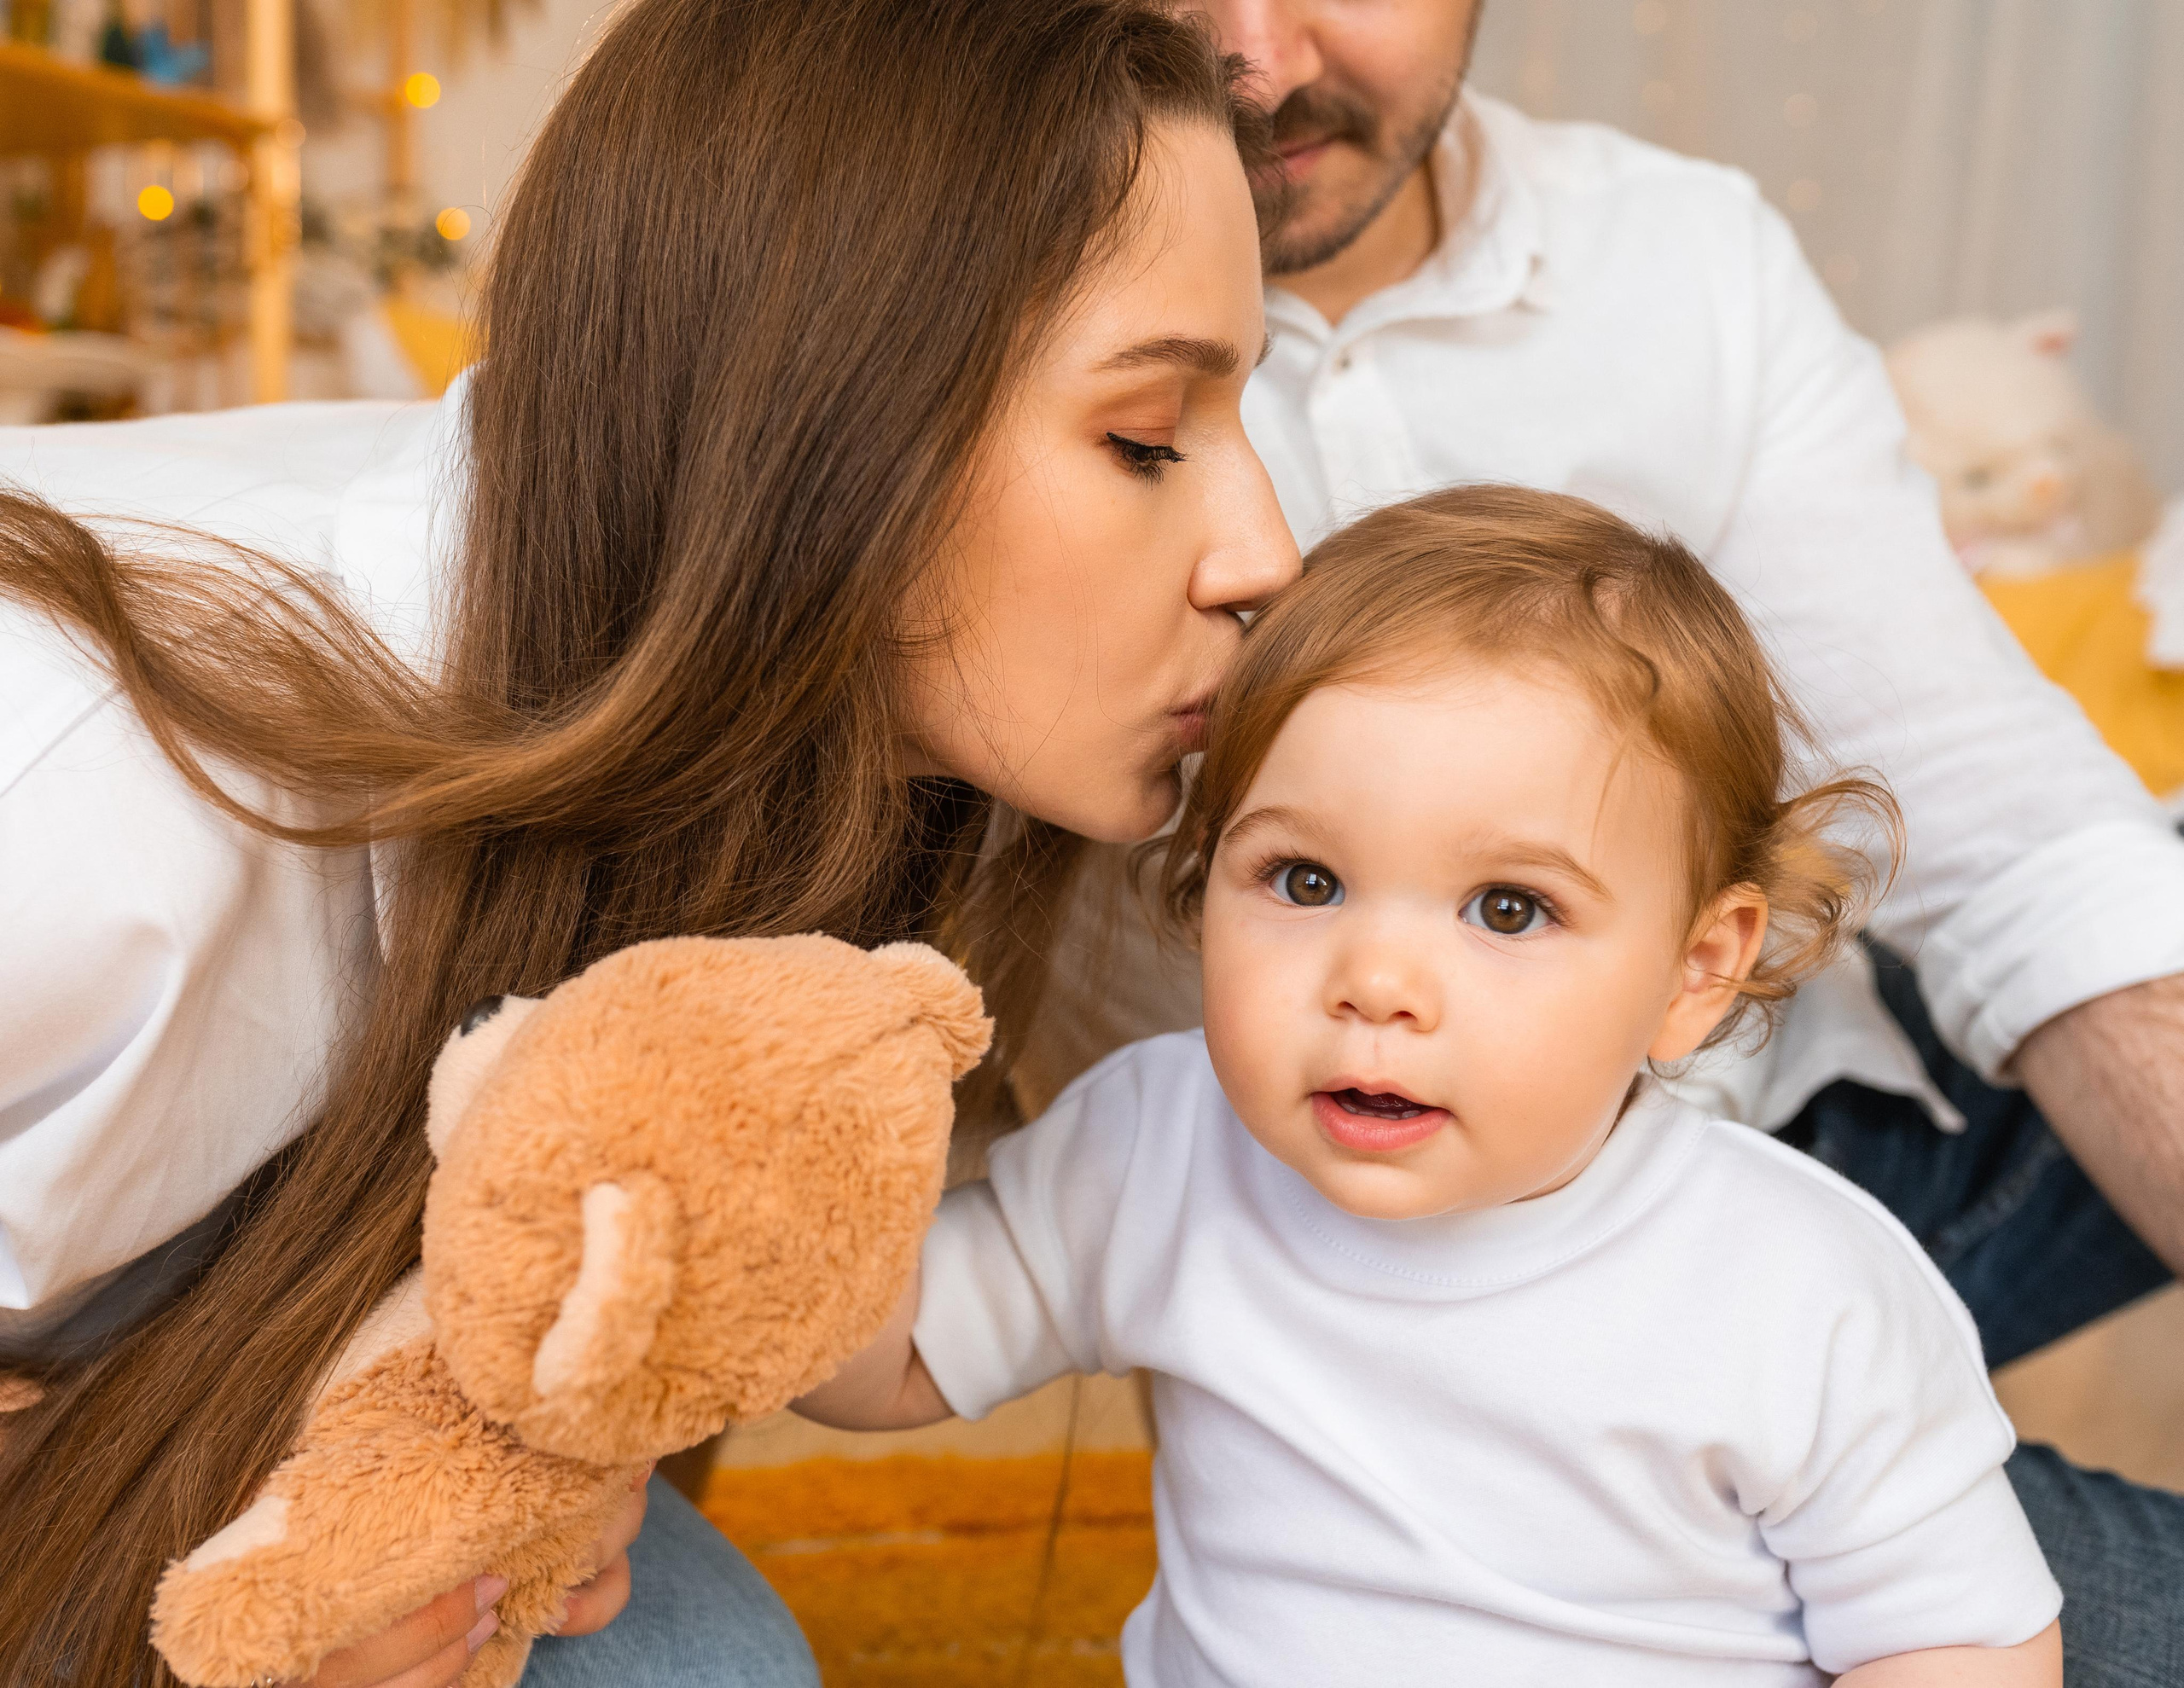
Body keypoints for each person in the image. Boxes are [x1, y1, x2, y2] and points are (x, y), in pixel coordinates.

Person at [0, 1, 1298, 1681]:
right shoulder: (97, 781)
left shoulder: (845, 788)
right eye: (1144, 438)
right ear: (827, 410)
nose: (1263, 548)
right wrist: (168, 1507)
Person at [1013, 5, 2184, 1674]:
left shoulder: (1680, 256)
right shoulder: (936, 305)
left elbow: (2018, 849)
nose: (1254, 55)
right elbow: (864, 1313)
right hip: (1378, 1275)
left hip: (1827, 1152)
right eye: (1296, 876)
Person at [799, 485, 2065, 1685]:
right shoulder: (1160, 1148)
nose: (1377, 982)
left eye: (1508, 908)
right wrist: (773, 1155)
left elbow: (1955, 1645)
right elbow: (890, 1362)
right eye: (1304, 882)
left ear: (1694, 971)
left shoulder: (1802, 1290)